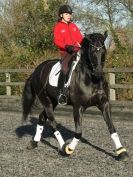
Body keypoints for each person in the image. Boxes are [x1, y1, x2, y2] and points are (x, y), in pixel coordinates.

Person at [53, 4, 83, 105]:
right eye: (66, 14)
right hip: (66, 52)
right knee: (65, 69)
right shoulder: (58, 26)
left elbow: (80, 38)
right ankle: (60, 93)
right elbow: (57, 41)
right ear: (61, 15)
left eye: (70, 14)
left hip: (77, 51)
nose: (69, 15)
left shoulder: (73, 25)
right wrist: (66, 46)